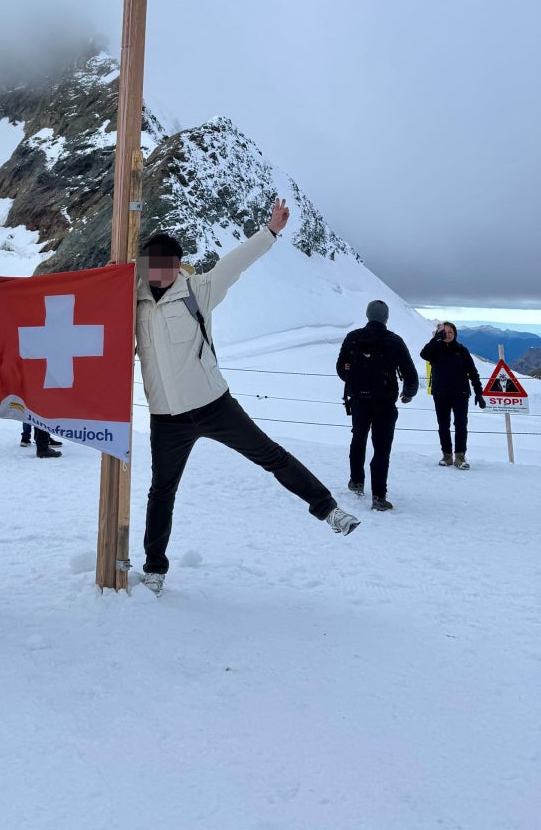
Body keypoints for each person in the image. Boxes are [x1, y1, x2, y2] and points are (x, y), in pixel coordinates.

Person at [135, 201, 360, 597]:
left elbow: (234, 263)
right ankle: (154, 569)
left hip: (213, 404)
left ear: (178, 264)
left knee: (270, 455)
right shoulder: (132, 301)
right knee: (162, 491)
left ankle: (328, 509)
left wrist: (269, 232)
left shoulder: (197, 290)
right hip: (166, 417)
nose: (160, 270)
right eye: (152, 263)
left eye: (167, 263)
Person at [337, 301, 419, 511]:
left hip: (358, 400)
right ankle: (379, 497)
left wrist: (355, 382)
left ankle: (357, 482)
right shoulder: (394, 341)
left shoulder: (353, 337)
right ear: (386, 317)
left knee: (358, 439)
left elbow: (340, 369)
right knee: (382, 448)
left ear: (367, 315)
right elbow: (410, 375)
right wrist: (408, 394)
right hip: (384, 403)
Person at [419, 321, 485, 470]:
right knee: (443, 425)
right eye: (444, 332)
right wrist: (435, 339)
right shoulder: (435, 350)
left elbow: (473, 372)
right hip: (440, 393)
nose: (447, 335)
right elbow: (423, 354)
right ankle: (447, 456)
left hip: (460, 393)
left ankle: (460, 457)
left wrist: (479, 393)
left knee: (461, 424)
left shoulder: (461, 350)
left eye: (450, 332)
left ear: (455, 334)